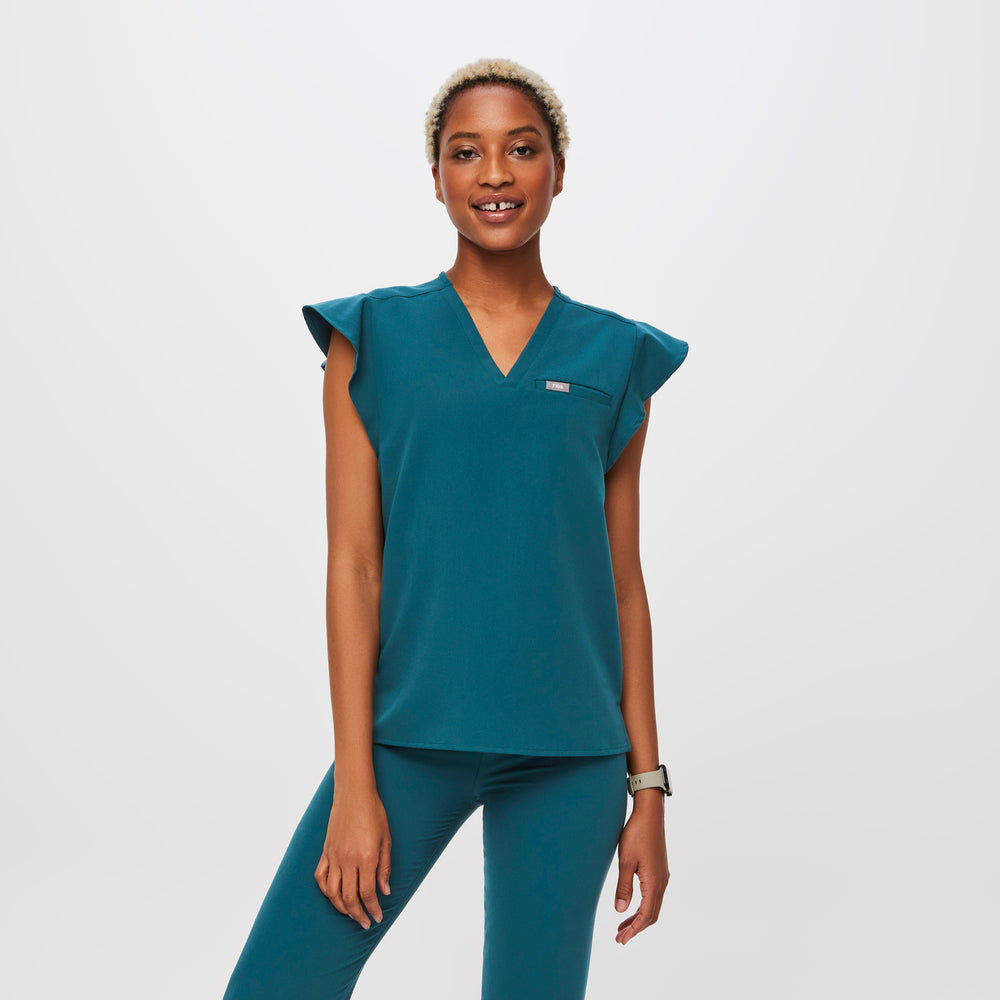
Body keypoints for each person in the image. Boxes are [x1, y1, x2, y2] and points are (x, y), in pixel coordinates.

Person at [222, 57, 689, 1000]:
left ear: (559, 170)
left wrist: (647, 787)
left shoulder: (617, 356)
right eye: (466, 153)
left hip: (570, 754)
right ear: (436, 178)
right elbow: (354, 565)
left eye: (523, 149)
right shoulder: (370, 338)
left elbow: (624, 586)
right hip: (410, 737)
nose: (495, 174)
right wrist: (356, 784)